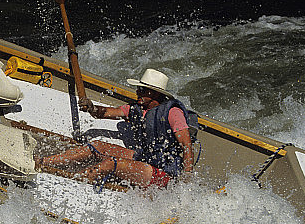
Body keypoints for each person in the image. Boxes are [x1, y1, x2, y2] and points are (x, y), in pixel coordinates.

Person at [38, 69, 194, 189]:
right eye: (138, 89)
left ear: (154, 94)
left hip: (163, 173)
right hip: (145, 158)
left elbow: (186, 145)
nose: (137, 92)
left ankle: (69, 182)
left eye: (142, 90)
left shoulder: (173, 113)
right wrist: (92, 108)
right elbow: (106, 112)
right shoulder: (136, 109)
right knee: (98, 146)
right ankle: (43, 162)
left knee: (111, 163)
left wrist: (187, 178)